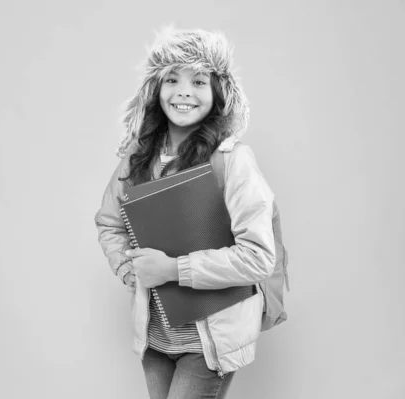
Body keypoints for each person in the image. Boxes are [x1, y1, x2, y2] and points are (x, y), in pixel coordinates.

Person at [94, 27, 276, 399]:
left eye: (199, 81)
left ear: (218, 92)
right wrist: (129, 270)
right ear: (155, 89)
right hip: (155, 338)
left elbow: (259, 258)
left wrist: (173, 270)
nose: (183, 92)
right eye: (171, 79)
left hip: (211, 342)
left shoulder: (233, 160)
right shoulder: (138, 155)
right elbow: (109, 221)